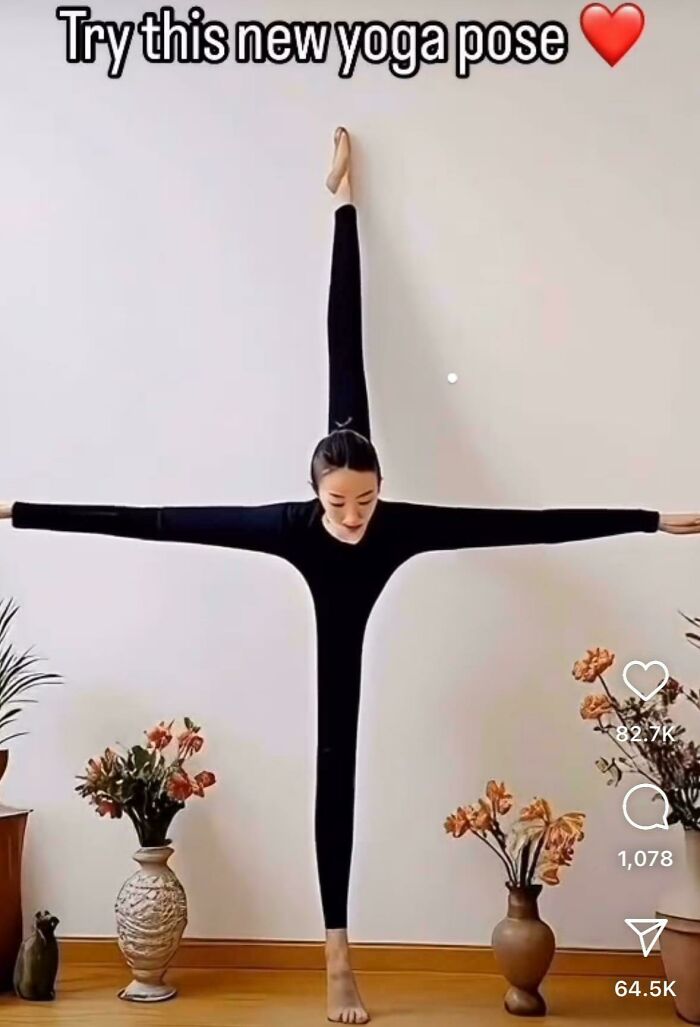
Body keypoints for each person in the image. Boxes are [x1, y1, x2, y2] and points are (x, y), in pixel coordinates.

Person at [2, 127, 699, 1025]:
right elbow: (156, 520)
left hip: (363, 580)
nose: (355, 513)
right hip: (334, 606)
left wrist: (648, 519)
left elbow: (523, 521)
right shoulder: (288, 526)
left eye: (367, 498)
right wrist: (19, 510)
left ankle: (341, 950)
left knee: (354, 388)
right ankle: (336, 954)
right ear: (314, 492)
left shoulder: (391, 515)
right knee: (335, 760)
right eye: (340, 502)